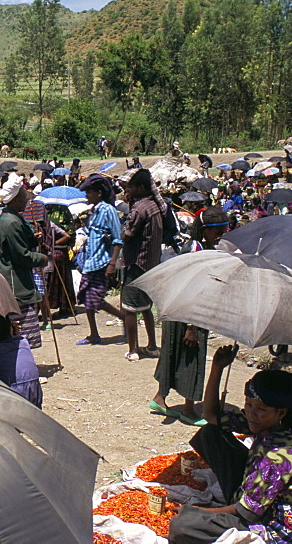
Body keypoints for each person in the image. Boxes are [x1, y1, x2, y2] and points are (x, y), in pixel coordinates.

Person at [169, 345, 292, 544]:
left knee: (182, 526)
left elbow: (247, 512)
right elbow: (211, 415)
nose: (251, 413)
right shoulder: (265, 425)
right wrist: (217, 368)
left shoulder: (280, 456)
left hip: (274, 524)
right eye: (248, 405)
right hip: (249, 497)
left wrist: (199, 511)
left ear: (281, 413)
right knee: (211, 432)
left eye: (260, 409)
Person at [150, 206, 228, 425]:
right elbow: (193, 285)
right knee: (192, 357)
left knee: (172, 353)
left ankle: (160, 398)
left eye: (222, 230)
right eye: (216, 231)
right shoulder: (197, 250)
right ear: (204, 230)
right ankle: (188, 409)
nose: (219, 235)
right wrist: (192, 325)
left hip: (178, 310)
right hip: (190, 312)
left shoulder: (196, 246)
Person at [0, 174, 47, 349]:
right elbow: (21, 256)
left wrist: (32, 240)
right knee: (20, 327)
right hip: (16, 282)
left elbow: (16, 246)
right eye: (23, 197)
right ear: (14, 200)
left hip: (12, 277)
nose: (26, 201)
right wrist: (41, 258)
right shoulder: (12, 222)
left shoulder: (8, 217)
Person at [74, 174, 124, 345]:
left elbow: (118, 239)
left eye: (89, 192)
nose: (87, 195)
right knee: (87, 298)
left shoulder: (108, 211)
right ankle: (93, 333)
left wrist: (112, 263)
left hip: (102, 262)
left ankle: (124, 317)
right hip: (89, 262)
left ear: (99, 193)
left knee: (96, 299)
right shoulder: (93, 211)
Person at [119, 169, 162, 361]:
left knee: (129, 308)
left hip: (136, 262)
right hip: (151, 262)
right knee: (145, 307)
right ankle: (152, 345)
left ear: (141, 188)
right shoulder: (155, 206)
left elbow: (127, 235)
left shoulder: (139, 209)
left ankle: (133, 349)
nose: (128, 190)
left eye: (131, 187)